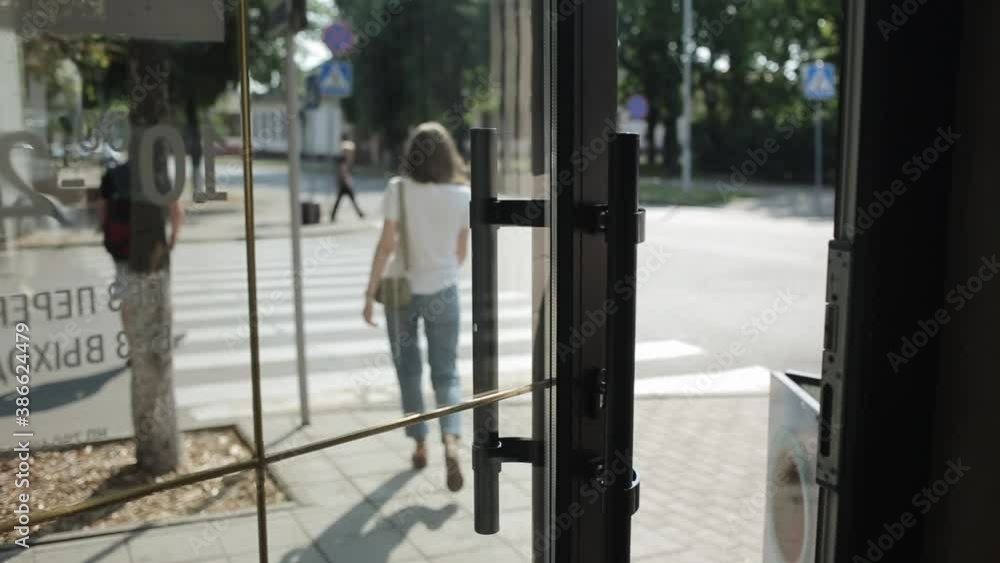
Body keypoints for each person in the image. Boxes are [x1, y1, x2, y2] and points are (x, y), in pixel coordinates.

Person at [363, 122, 470, 492]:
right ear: (448, 156)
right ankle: (451, 439)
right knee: (447, 372)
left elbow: (386, 246)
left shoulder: (398, 189)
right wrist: (438, 271)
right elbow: (460, 253)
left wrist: (369, 293)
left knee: (408, 369)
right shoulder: (461, 196)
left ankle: (420, 443)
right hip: (443, 290)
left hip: (400, 292)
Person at [96, 155, 184, 475]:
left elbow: (102, 212)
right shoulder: (158, 173)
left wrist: (108, 235)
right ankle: (147, 343)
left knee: (128, 301)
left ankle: (133, 343)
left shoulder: (113, 174)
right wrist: (173, 238)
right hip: (153, 255)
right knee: (158, 309)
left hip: (123, 252)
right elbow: (176, 209)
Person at [330, 134, 365, 221]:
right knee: (349, 199)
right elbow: (342, 172)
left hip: (344, 183)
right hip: (344, 184)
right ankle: (359, 213)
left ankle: (333, 215)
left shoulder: (344, 160)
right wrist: (346, 181)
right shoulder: (343, 160)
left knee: (344, 200)